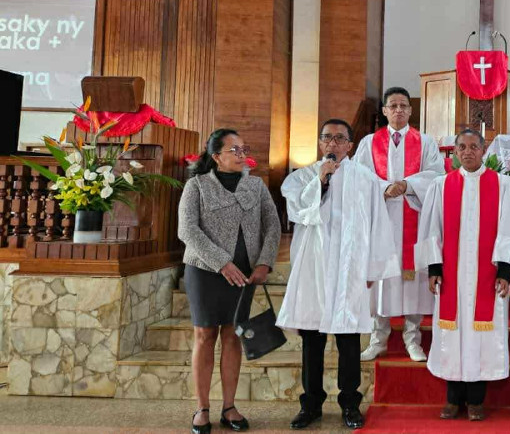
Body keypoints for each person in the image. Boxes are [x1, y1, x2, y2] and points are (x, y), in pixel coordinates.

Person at [277, 119, 400, 430]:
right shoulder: (302, 177)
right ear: (320, 143)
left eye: (339, 138)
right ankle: (311, 404)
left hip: (349, 269)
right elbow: (298, 211)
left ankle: (350, 403)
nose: (332, 143)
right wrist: (321, 180)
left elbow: (378, 224)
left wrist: (373, 267)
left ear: (350, 145)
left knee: (348, 340)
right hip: (315, 268)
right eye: (327, 138)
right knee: (312, 339)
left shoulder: (366, 179)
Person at [416, 129, 510, 421]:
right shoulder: (442, 185)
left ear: (483, 149)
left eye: (473, 147)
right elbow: (432, 230)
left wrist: (505, 270)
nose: (467, 152)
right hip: (451, 276)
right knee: (452, 334)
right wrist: (434, 268)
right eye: (462, 147)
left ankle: (476, 400)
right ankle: (453, 399)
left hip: (486, 277)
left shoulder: (502, 185)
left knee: (481, 336)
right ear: (455, 152)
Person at [178, 129, 281, 434]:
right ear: (216, 157)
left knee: (233, 336)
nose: (241, 154)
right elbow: (187, 230)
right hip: (205, 271)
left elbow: (273, 226)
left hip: (244, 274)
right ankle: (202, 408)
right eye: (233, 150)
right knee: (204, 335)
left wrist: (264, 262)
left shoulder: (256, 186)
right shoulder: (196, 186)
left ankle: (229, 407)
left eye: (243, 149)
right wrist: (221, 262)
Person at [355, 87, 446, 362]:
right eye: (392, 105)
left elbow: (436, 176)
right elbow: (359, 177)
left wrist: (408, 185)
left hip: (413, 219)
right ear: (384, 110)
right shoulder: (369, 142)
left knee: (412, 281)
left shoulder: (425, 142)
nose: (398, 110)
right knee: (380, 279)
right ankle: (377, 339)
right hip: (381, 220)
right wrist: (384, 187)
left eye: (403, 105)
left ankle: (412, 339)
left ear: (410, 110)